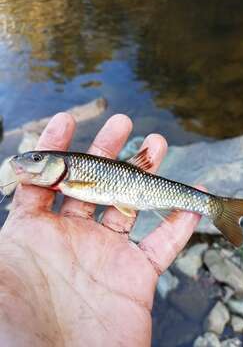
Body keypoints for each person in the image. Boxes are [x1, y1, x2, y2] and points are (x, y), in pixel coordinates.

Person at [0, 113, 203, 346]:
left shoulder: (70, 177)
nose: (31, 161)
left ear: (60, 165)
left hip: (134, 185)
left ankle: (214, 207)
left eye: (36, 158)